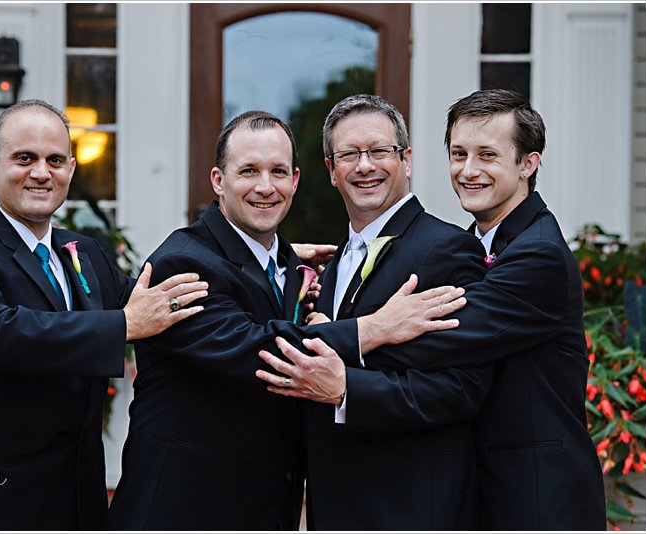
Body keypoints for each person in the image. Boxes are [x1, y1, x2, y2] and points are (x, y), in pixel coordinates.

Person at [106, 110, 470, 530]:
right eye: (248, 171)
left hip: (274, 508)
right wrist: (376, 326)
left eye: (278, 171)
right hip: (184, 509)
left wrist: (287, 264)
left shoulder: (289, 267)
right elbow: (259, 350)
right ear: (218, 181)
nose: (265, 187)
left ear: (295, 181)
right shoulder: (183, 263)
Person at [262, 90, 607, 530]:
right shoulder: (484, 241)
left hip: (537, 496)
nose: (469, 170)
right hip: (475, 488)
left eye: (487, 155)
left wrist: (356, 338)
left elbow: (438, 342)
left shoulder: (536, 255)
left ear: (528, 164)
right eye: (459, 154)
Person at [0, 99, 209, 530]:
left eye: (55, 160)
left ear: (71, 169)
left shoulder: (84, 252)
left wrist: (259, 262)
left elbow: (157, 299)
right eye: (24, 158)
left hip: (73, 501)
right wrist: (124, 324)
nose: (42, 173)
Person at [256, 94, 496, 530]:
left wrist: (348, 389)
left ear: (406, 159)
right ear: (331, 171)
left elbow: (462, 388)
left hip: (408, 507)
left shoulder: (448, 250)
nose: (365, 166)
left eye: (379, 151)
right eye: (349, 154)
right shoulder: (333, 264)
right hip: (336, 505)